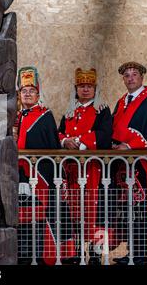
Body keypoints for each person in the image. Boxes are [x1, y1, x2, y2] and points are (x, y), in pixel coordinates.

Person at [14, 66, 75, 265]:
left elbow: (52, 147)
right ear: (19, 94)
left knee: (40, 218)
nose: (28, 94)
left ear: (38, 93)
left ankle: (40, 258)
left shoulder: (45, 115)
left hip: (40, 178)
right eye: (24, 91)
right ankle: (22, 256)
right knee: (21, 218)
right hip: (18, 176)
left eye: (32, 91)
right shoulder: (15, 118)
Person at [111, 62, 147, 265]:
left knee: (144, 210)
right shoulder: (122, 102)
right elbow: (115, 127)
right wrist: (116, 145)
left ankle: (141, 254)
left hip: (145, 166)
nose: (130, 78)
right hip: (125, 168)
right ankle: (132, 252)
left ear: (141, 77)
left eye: (134, 74)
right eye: (126, 75)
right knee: (129, 210)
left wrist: (130, 145)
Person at [58, 68, 112, 265]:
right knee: (74, 211)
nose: (86, 90)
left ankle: (97, 253)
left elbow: (105, 134)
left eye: (89, 86)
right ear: (76, 89)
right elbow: (59, 132)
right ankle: (77, 251)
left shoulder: (102, 110)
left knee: (98, 212)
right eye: (82, 86)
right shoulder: (69, 111)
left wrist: (80, 142)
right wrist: (65, 142)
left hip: (94, 170)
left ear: (95, 88)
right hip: (72, 171)